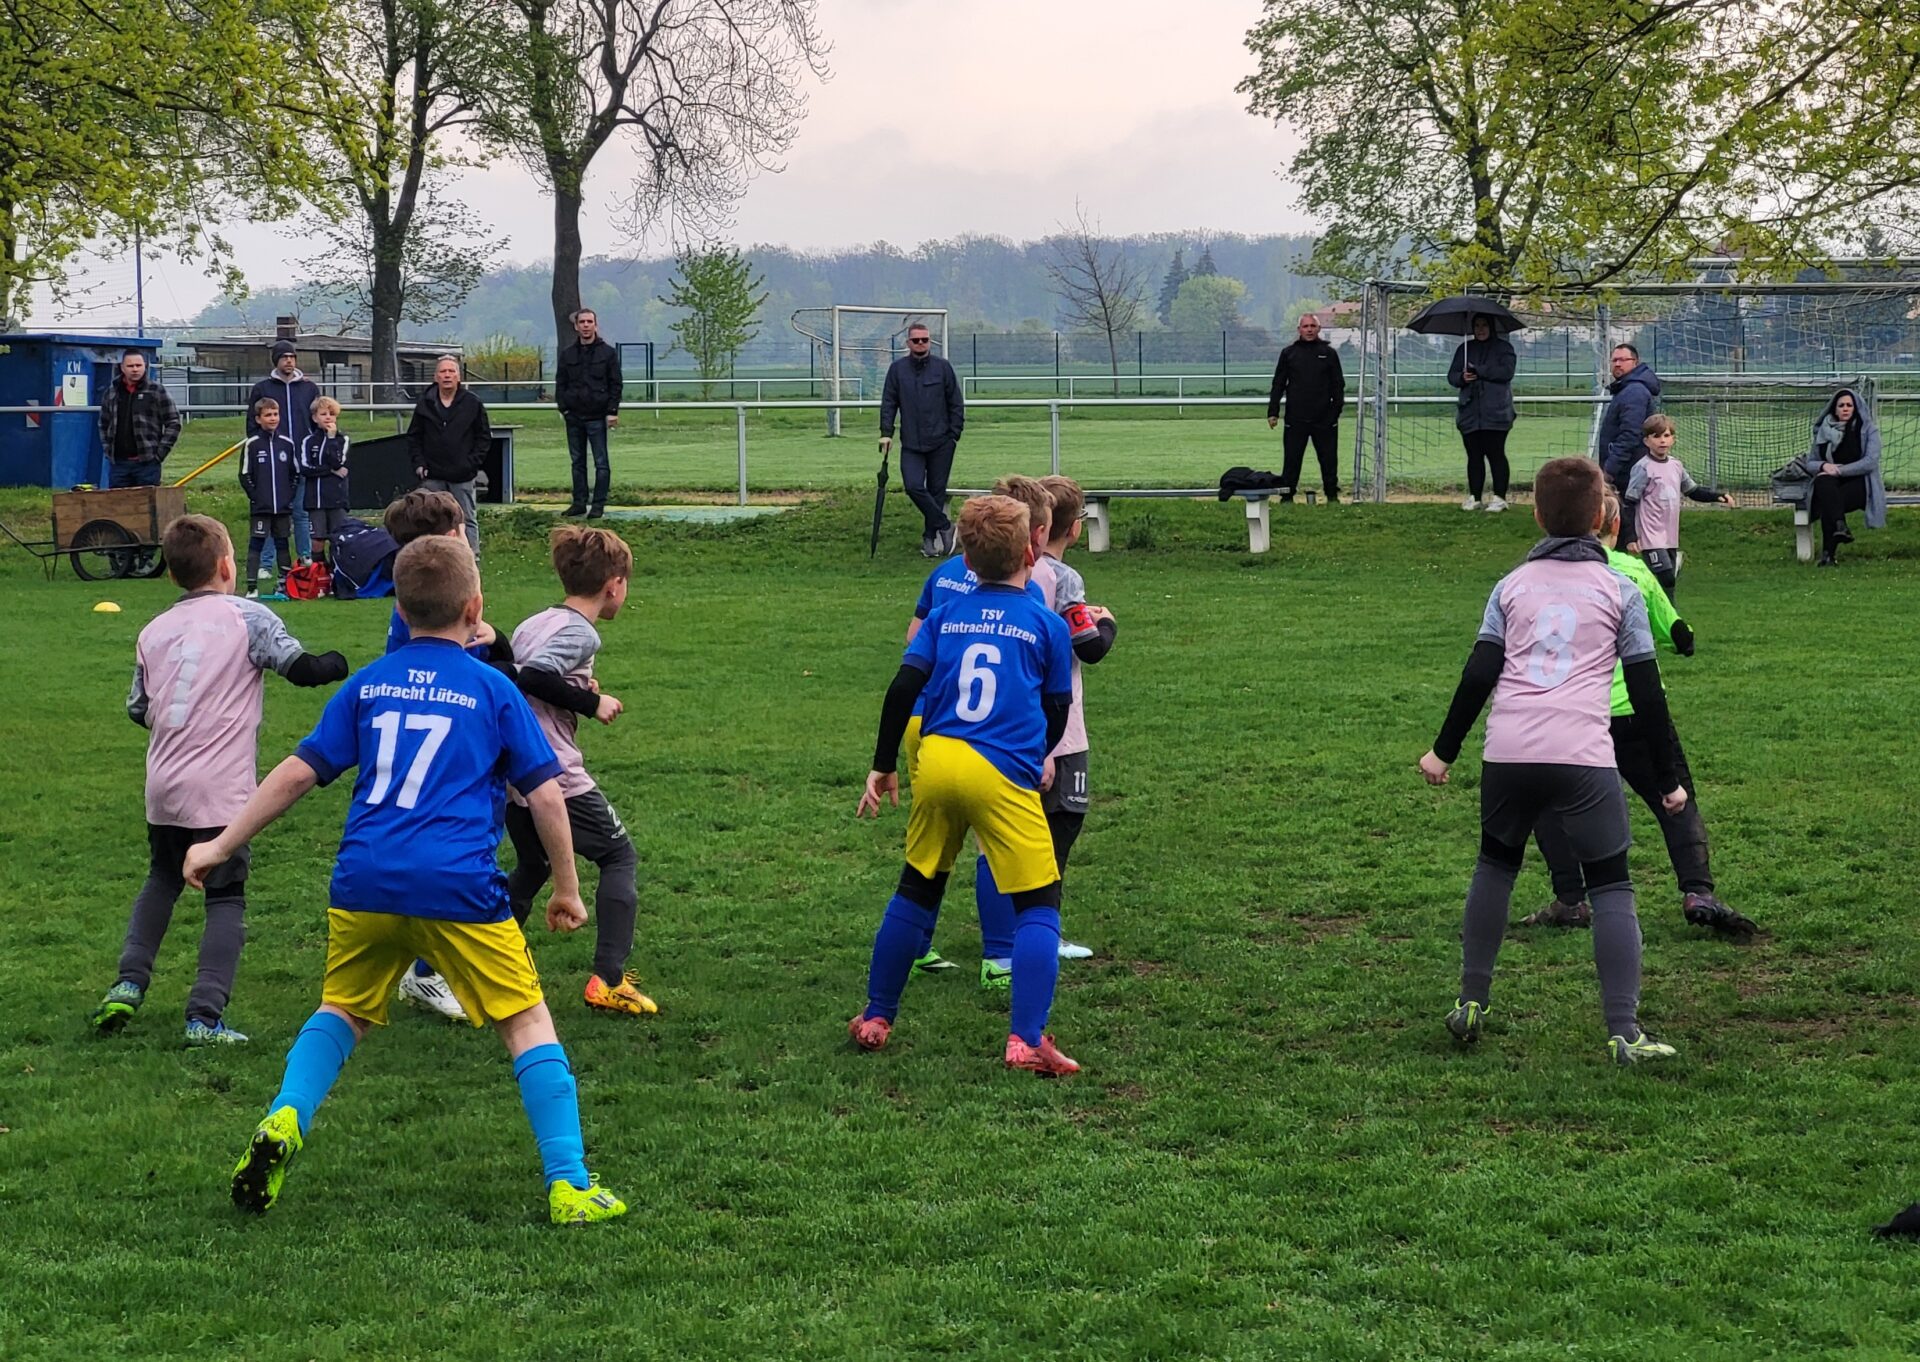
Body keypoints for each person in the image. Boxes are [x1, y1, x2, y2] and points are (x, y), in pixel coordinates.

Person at [188, 535, 629, 1225]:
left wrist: (220, 843)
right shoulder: (493, 687)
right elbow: (546, 795)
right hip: (457, 885)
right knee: (525, 1021)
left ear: (399, 607)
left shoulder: (370, 682)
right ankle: (570, 1185)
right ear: (475, 609)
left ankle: (285, 1116)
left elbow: (299, 773)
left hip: (364, 882)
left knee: (343, 1010)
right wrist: (568, 888)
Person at [1419, 456, 1687, 1066]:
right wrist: (1667, 781)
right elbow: (1646, 692)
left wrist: (1443, 751)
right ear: (1602, 519)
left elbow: (1479, 673)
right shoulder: (1620, 588)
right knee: (1612, 886)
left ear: (1536, 515)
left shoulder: (1511, 585)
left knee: (1495, 868)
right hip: (1582, 756)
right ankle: (1624, 1032)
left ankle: (1470, 1001)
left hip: (1508, 753)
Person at [88, 514, 347, 1046]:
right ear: (228, 566)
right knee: (225, 896)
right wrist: (337, 664)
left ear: (171, 575)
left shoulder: (154, 629)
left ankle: (127, 984)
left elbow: (138, 708)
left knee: (162, 878)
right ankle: (204, 1017)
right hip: (222, 790)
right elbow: (301, 669)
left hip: (163, 785)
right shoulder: (248, 617)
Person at [851, 495, 1081, 1075]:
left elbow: (903, 688)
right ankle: (1026, 1040)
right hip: (999, 768)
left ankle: (876, 1015)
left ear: (968, 561)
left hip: (938, 760)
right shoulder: (1046, 624)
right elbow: (1056, 707)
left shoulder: (946, 615)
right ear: (1031, 551)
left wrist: (882, 763)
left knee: (917, 887)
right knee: (1038, 903)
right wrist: (1036, 753)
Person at [1525, 493, 1755, 940]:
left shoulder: (1536, 576)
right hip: (1634, 710)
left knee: (1549, 802)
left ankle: (1570, 899)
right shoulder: (1633, 573)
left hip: (1570, 712)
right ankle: (1698, 891)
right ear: (1613, 526)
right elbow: (1680, 635)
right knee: (1675, 797)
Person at [902, 475, 1095, 983]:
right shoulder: (1032, 589)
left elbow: (913, 640)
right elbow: (1049, 677)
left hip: (927, 720)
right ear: (1031, 535)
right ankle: (1000, 957)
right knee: (994, 843)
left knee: (929, 853)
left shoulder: (946, 575)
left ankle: (914, 950)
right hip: (989, 732)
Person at [505, 525, 657, 1017]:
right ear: (614, 585)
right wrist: (592, 703)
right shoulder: (581, 631)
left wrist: (575, 689)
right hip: (555, 773)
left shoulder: (536, 622)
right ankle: (608, 981)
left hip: (513, 771)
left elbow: (520, 677)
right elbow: (534, 676)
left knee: (533, 865)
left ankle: (473, 963)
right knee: (618, 856)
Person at [1621, 414, 1732, 599]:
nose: (1662, 441)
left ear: (1673, 439)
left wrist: (1717, 496)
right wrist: (1631, 537)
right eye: (1656, 436)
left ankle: (1666, 613)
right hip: (1650, 536)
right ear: (1646, 441)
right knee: (1666, 578)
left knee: (1667, 583)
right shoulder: (1643, 468)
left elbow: (1693, 491)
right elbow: (1629, 503)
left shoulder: (1676, 466)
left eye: (1666, 435)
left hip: (1669, 536)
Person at [879, 323, 965, 557]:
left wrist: (954, 434)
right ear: (908, 343)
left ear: (930, 342)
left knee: (936, 491)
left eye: (924, 340)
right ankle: (946, 526)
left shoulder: (943, 368)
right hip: (912, 443)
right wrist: (886, 433)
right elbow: (889, 403)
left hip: (941, 442)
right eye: (916, 340)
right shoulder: (897, 370)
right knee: (913, 486)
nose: (920, 344)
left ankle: (929, 540)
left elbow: (955, 402)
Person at [407, 355, 490, 557]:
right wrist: (419, 464)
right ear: (436, 377)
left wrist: (471, 464)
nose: (447, 375)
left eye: (451, 371)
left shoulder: (472, 403)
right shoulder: (425, 404)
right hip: (432, 475)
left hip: (462, 475)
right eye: (443, 371)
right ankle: (433, 558)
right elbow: (414, 436)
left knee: (466, 518)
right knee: (430, 519)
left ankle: (471, 559)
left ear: (458, 376)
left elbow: (483, 437)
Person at [248, 341, 318, 575]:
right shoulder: (262, 388)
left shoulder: (309, 388)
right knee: (270, 513)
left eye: (292, 356)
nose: (289, 360)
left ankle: (305, 557)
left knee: (301, 513)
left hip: (300, 462)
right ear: (276, 360)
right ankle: (266, 564)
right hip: (271, 465)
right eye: (284, 356)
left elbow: (316, 422)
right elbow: (251, 425)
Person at [1265, 312, 1345, 503]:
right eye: (1305, 326)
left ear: (1319, 329)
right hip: (1296, 418)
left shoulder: (1329, 353)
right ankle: (1287, 497)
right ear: (1299, 329)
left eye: (1312, 326)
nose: (1309, 330)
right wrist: (1273, 412)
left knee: (1328, 459)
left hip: (1324, 418)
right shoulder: (1288, 353)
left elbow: (1338, 385)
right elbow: (1279, 383)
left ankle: (1332, 496)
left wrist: (1335, 412)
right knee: (1292, 459)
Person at [1805, 387, 1887, 567]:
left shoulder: (1868, 429)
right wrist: (1824, 466)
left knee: (1830, 500)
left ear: (1855, 407)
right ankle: (1840, 526)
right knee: (1823, 483)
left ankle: (1828, 554)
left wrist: (1840, 471)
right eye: (1841, 405)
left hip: (1861, 483)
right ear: (1834, 409)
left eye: (1849, 405)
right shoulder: (1824, 430)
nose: (1845, 409)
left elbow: (1870, 462)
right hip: (1832, 483)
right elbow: (1810, 463)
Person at [555, 309, 623, 519]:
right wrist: (564, 409)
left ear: (595, 325)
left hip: (597, 416)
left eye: (589, 321)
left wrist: (612, 411)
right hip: (574, 416)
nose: (586, 325)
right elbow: (560, 383)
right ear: (576, 326)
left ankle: (598, 505)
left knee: (601, 463)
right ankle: (579, 503)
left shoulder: (608, 354)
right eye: (582, 322)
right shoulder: (567, 354)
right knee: (577, 462)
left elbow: (616, 384)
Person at [1448, 315, 1517, 512]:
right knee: (1474, 455)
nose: (1480, 329)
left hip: (1496, 413)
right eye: (1477, 325)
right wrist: (1463, 377)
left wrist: (1479, 371)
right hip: (1470, 412)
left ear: (1491, 327)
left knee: (1496, 454)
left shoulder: (1504, 348)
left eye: (1484, 325)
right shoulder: (1465, 349)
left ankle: (1499, 497)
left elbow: (1506, 372)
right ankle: (1475, 497)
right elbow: (1452, 376)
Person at [239, 398, 300, 600]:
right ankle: (251, 587)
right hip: (261, 508)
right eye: (268, 415)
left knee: (282, 543)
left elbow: (295, 473)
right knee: (256, 543)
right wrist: (256, 497)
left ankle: (284, 585)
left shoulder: (287, 444)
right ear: (258, 419)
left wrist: (289, 496)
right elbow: (244, 475)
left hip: (282, 507)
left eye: (275, 414)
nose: (272, 418)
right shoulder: (252, 444)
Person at [96, 350, 181, 489]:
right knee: (118, 502)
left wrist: (160, 454)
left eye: (138, 365)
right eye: (130, 366)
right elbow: (103, 423)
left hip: (147, 464)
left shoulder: (156, 391)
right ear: (122, 368)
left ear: (145, 366)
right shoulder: (112, 393)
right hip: (119, 465)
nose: (135, 369)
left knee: (147, 502)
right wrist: (108, 449)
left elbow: (173, 422)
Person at [1597, 343, 1661, 491]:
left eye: (1623, 360)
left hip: (1628, 472)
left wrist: (1609, 470)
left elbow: (1630, 434)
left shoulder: (1634, 391)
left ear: (1635, 362)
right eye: (1614, 360)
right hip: (1627, 469)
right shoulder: (1626, 388)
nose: (1617, 364)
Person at [299, 397, 352, 571]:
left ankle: (338, 573)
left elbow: (339, 463)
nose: (328, 417)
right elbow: (305, 468)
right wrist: (330, 470)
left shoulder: (342, 440)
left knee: (338, 538)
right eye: (323, 414)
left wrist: (331, 439)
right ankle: (319, 574)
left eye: (331, 414)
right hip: (315, 499)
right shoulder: (308, 441)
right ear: (315, 418)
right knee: (317, 539)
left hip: (336, 499)